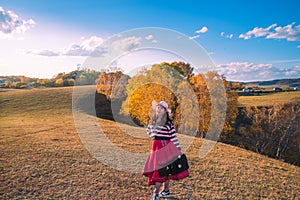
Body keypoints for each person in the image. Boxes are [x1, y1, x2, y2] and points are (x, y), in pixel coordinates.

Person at [142, 101, 189, 200]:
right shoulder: (153, 121)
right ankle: (166, 191)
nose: (159, 110)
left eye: (161, 109)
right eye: (158, 108)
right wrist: (151, 125)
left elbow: (173, 136)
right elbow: (150, 134)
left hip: (166, 148)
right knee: (165, 171)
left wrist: (179, 150)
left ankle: (156, 193)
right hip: (156, 148)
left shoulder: (169, 122)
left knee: (161, 171)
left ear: (165, 112)